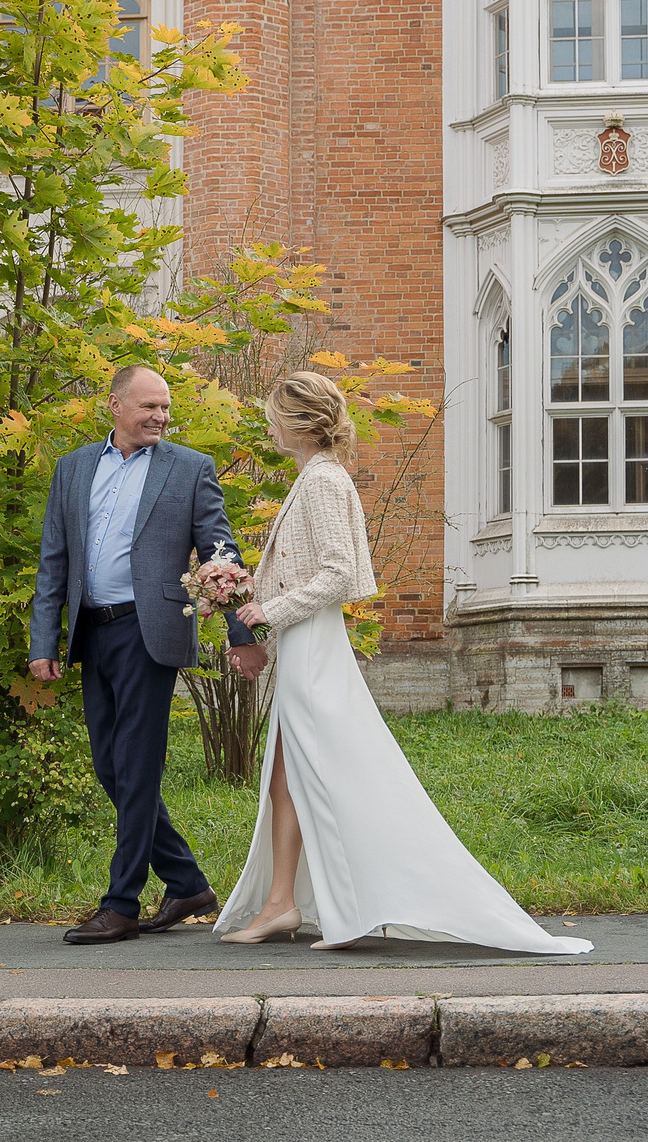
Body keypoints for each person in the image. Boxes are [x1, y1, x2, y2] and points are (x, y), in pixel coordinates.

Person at [213, 372, 591, 955]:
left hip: (314, 646)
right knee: (285, 776)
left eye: (273, 415)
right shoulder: (316, 478)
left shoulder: (321, 483)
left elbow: (337, 573)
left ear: (297, 422)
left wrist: (265, 611)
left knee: (323, 773)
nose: (269, 425)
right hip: (305, 644)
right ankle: (281, 902)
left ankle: (350, 901)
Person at [30, 364, 264, 946]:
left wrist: (241, 633)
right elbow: (54, 561)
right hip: (93, 631)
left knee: (136, 769)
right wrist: (44, 641)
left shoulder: (189, 468)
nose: (160, 416)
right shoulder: (73, 468)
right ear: (114, 406)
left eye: (165, 407)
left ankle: (121, 903)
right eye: (148, 407)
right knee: (111, 767)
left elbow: (220, 551)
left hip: (148, 631)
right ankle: (186, 882)